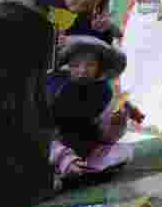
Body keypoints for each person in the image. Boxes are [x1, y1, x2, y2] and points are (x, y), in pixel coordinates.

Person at [0, 0, 115, 207]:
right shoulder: (24, 9)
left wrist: (102, 35)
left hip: (27, 116)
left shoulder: (71, 20)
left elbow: (93, 66)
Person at [48, 35, 140, 190]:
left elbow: (106, 135)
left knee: (118, 153)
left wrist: (116, 121)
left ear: (100, 67)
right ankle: (66, 171)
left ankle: (79, 172)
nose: (82, 71)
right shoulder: (56, 85)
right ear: (67, 65)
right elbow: (44, 129)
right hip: (58, 143)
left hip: (89, 146)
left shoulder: (103, 90)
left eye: (90, 65)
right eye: (76, 65)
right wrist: (63, 155)